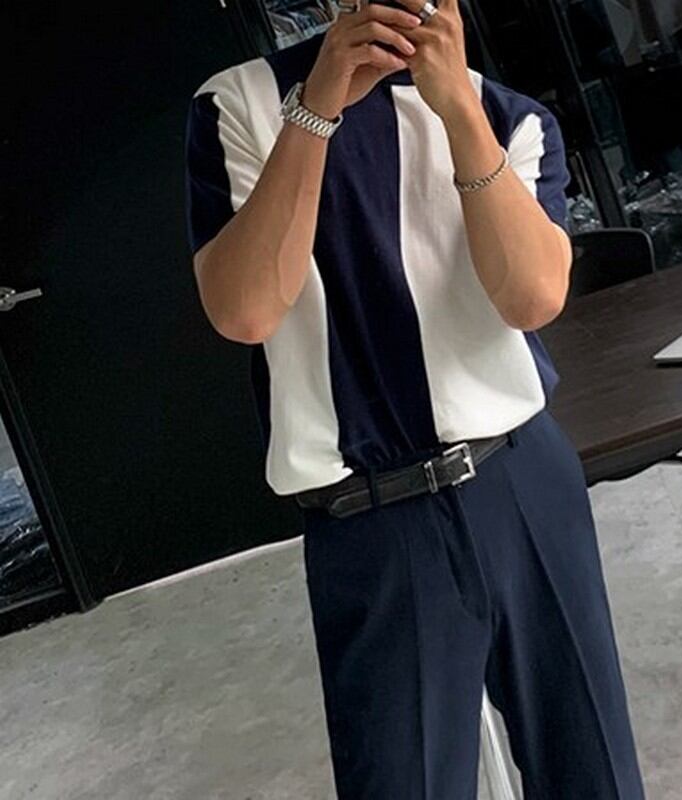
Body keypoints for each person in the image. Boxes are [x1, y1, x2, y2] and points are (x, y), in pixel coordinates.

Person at [184, 0, 647, 796]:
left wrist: (459, 108)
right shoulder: (242, 104)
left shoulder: (507, 115)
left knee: (592, 770)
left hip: (519, 480)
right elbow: (246, 310)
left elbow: (532, 297)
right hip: (368, 515)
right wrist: (317, 108)